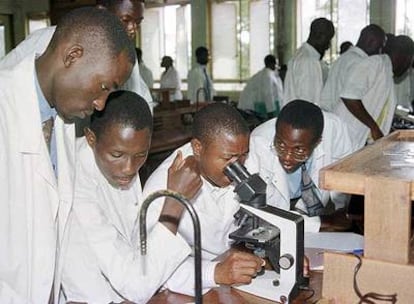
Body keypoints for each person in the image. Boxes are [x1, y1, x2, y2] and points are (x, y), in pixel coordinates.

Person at [0, 7, 135, 303]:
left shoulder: (61, 120)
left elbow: (60, 226)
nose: (101, 104)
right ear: (72, 56)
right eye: (103, 87)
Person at [61, 91, 198, 303]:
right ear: (91, 138)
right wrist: (174, 203)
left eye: (141, 156)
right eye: (117, 155)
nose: (129, 169)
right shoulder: (74, 181)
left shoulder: (119, 162)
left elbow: (135, 252)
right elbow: (135, 286)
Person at [143, 103, 263, 295]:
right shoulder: (162, 188)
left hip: (237, 267)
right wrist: (214, 273)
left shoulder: (242, 155)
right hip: (192, 284)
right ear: (198, 148)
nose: (238, 167)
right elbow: (154, 268)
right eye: (228, 158)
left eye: (243, 155)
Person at [0, 0, 154, 110]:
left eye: (138, 23)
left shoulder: (123, 57)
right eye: (125, 20)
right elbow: (7, 77)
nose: (132, 29)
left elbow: (141, 98)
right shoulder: (49, 37)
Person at [246, 100, 354, 232]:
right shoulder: (259, 142)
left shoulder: (335, 130)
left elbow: (345, 177)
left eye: (299, 150)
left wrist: (343, 211)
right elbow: (260, 212)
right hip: (278, 206)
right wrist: (323, 223)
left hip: (310, 202)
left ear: (318, 142)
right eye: (280, 145)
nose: (287, 157)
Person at [332, 35, 414, 150]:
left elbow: (378, 113)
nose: (408, 69)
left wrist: (391, 133)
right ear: (404, 57)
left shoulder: (387, 74)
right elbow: (349, 97)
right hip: (344, 136)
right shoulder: (375, 63)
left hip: (358, 142)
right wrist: (374, 127)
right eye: (410, 63)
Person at [320, 24, 386, 112]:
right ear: (370, 41)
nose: (380, 52)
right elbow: (351, 99)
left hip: (330, 114)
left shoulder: (344, 57)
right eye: (380, 46)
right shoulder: (361, 63)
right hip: (342, 119)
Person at [283, 18, 335, 105]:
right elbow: (308, 101)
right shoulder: (309, 61)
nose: (328, 46)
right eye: (328, 39)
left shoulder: (301, 54)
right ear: (319, 35)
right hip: (305, 116)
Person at [237, 54, 284, 120]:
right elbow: (268, 94)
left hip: (250, 105)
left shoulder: (267, 73)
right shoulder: (267, 75)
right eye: (276, 64)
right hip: (249, 106)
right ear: (271, 63)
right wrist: (270, 112)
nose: (276, 66)